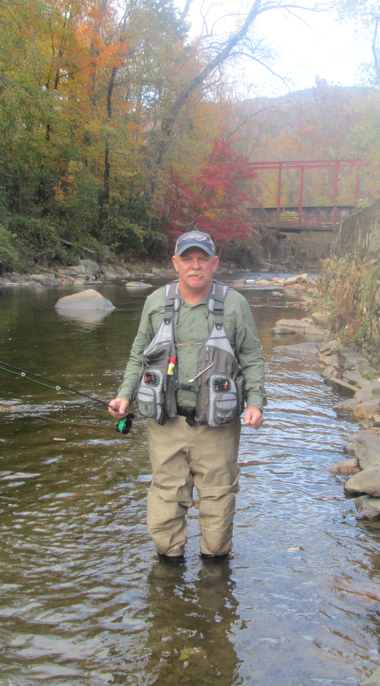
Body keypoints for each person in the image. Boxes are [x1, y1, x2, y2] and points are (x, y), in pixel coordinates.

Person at [108, 230, 265, 561]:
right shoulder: (155, 303)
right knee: (165, 512)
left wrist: (255, 403)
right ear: (175, 263)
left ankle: (215, 572)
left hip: (218, 427)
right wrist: (124, 395)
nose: (196, 266)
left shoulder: (235, 305)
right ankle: (168, 574)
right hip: (165, 422)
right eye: (188, 259)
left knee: (217, 523)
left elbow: (252, 358)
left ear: (214, 263)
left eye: (203, 259)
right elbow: (139, 355)